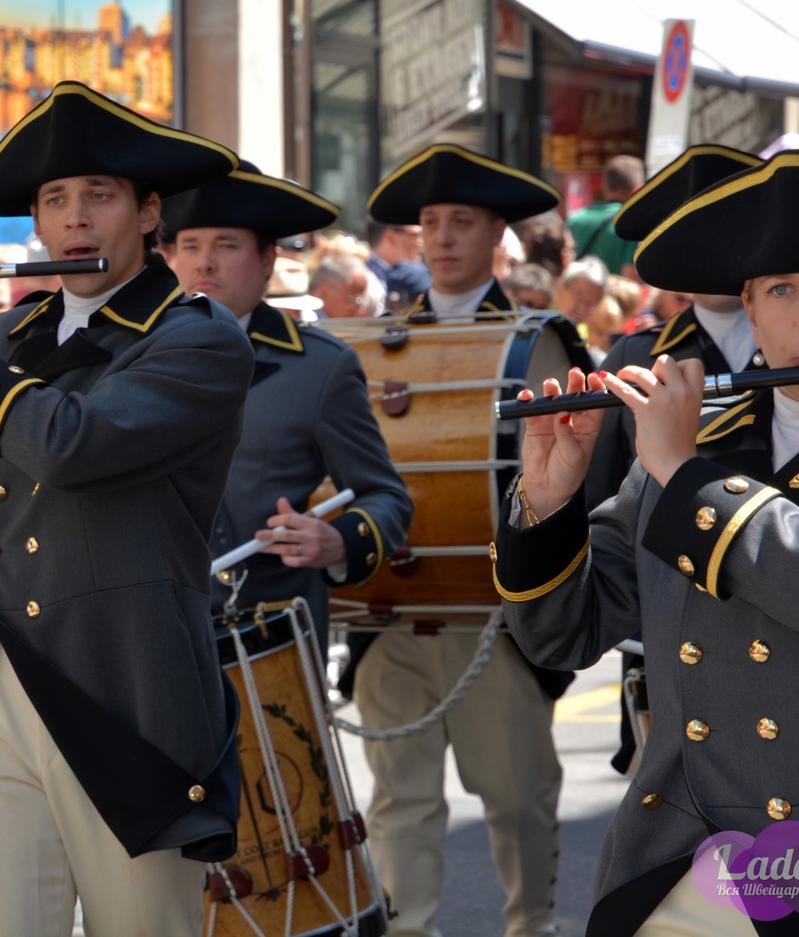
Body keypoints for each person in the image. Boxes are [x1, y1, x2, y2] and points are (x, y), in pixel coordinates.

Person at [0, 79, 250, 935]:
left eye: (99, 196)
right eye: (56, 200)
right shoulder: (11, 340)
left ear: (147, 214)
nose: (75, 219)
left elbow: (72, 444)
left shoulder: (197, 336)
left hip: (127, 691)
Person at [497, 149, 799, 937]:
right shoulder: (691, 450)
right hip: (682, 859)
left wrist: (683, 473)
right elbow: (560, 633)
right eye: (783, 290)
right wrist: (548, 501)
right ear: (751, 309)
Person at [354, 143, 578, 937]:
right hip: (397, 610)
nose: (442, 237)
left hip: (493, 617)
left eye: (462, 222)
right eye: (430, 223)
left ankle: (533, 924)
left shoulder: (534, 339)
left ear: (497, 238)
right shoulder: (375, 346)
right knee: (400, 800)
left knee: (518, 795)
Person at [160, 161, 413, 629]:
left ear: (267, 260)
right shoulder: (129, 355)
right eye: (190, 246)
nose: (204, 262)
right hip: (152, 633)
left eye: (226, 245)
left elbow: (387, 497)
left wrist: (337, 541)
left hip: (270, 637)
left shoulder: (320, 366)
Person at [581, 145, 764, 776]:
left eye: (728, 223)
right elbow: (604, 508)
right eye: (690, 231)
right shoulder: (634, 356)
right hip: (674, 637)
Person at [566, 154, 644, 278]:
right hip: (614, 296)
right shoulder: (633, 225)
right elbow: (630, 277)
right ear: (636, 188)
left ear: (604, 186)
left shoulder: (574, 220)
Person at [366, 218, 430, 310]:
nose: (420, 243)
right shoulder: (366, 282)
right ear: (391, 238)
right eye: (415, 236)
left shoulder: (380, 274)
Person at [309, 251, 378, 318]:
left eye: (362, 301)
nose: (361, 311)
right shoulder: (304, 323)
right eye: (354, 301)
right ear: (325, 292)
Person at [556, 257, 609, 328]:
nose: (582, 308)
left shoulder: (587, 335)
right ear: (560, 287)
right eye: (578, 296)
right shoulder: (539, 316)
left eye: (591, 303)